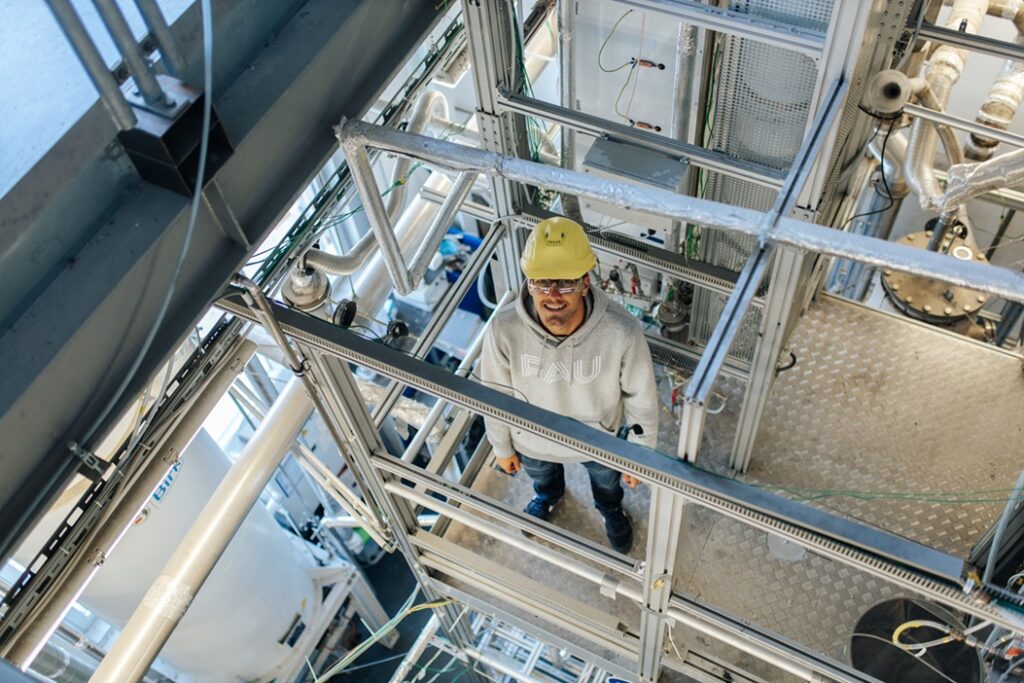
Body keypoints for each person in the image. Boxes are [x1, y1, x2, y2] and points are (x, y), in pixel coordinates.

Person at [479, 216, 660, 553]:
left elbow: (642, 398)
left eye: (564, 283)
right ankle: (548, 496)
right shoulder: (504, 330)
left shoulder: (621, 331)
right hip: (533, 441)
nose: (552, 296)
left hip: (599, 440)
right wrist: (501, 446)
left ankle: (609, 509)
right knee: (543, 478)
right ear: (529, 282)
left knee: (608, 485)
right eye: (541, 282)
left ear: (585, 283)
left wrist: (640, 455)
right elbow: (495, 394)